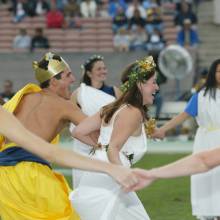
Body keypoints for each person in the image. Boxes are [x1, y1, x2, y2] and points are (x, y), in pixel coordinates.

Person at [0, 52, 138, 220]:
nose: (73, 79)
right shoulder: (65, 106)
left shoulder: (24, 97)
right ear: (53, 81)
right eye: (67, 75)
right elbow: (98, 136)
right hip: (32, 174)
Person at [69, 56, 159, 220]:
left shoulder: (112, 108)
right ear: (140, 85)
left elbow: (78, 132)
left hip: (101, 173)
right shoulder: (133, 112)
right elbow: (113, 148)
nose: (157, 87)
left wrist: (99, 147)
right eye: (153, 82)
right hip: (111, 178)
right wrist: (125, 176)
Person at [152, 59, 220, 220]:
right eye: (218, 71)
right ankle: (208, 213)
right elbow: (183, 115)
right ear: (212, 73)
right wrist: (162, 130)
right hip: (206, 141)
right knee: (205, 176)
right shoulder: (201, 96)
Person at [70, 54, 121, 188]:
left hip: (107, 142)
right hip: (83, 145)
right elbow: (70, 118)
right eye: (99, 69)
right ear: (89, 73)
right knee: (83, 185)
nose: (103, 71)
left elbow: (123, 116)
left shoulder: (114, 91)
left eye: (104, 68)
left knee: (108, 184)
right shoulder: (79, 93)